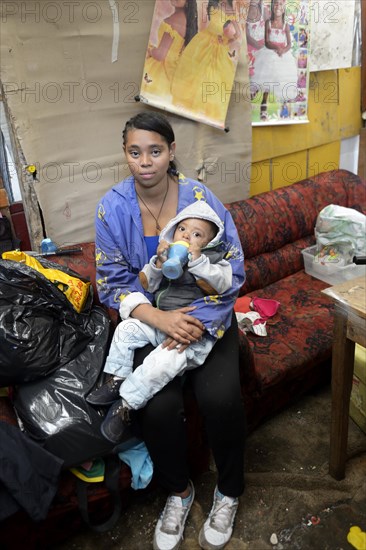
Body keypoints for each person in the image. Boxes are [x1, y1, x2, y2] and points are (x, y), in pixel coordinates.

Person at [93, 110, 246, 550]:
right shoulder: (112, 208)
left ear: (171, 152)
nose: (145, 161)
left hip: (208, 317)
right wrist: (160, 320)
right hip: (152, 318)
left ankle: (229, 491)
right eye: (135, 152)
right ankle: (179, 494)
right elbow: (111, 284)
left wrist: (195, 320)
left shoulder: (201, 199)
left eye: (155, 151)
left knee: (221, 399)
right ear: (125, 154)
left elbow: (233, 270)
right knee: (158, 409)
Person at [88, 200, 233, 445]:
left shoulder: (215, 261)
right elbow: (147, 284)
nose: (187, 237)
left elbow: (222, 285)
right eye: (182, 230)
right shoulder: (167, 259)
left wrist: (198, 261)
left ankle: (125, 406)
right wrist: (157, 264)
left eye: (197, 235)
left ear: (208, 243)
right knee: (126, 329)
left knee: (160, 362)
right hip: (161, 322)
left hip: (188, 337)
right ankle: (117, 378)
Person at [171, 0, 242, 125]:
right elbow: (203, 25)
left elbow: (238, 36)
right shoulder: (212, 5)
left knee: (212, 79)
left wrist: (225, 41)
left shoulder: (232, 11)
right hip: (203, 43)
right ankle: (188, 109)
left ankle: (202, 111)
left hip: (218, 50)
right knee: (196, 75)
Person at [140, 0, 198, 101]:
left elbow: (160, 55)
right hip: (173, 67)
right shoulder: (187, 20)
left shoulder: (174, 20)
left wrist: (149, 50)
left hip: (161, 68)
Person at [251, 0, 298, 120]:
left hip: (282, 55)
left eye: (280, 4)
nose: (278, 6)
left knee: (281, 78)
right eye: (275, 4)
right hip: (269, 52)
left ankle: (283, 108)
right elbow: (266, 42)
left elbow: (289, 44)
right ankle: (263, 103)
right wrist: (276, 47)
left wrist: (283, 50)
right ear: (272, 7)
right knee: (266, 76)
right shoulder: (268, 23)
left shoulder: (285, 25)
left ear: (283, 8)